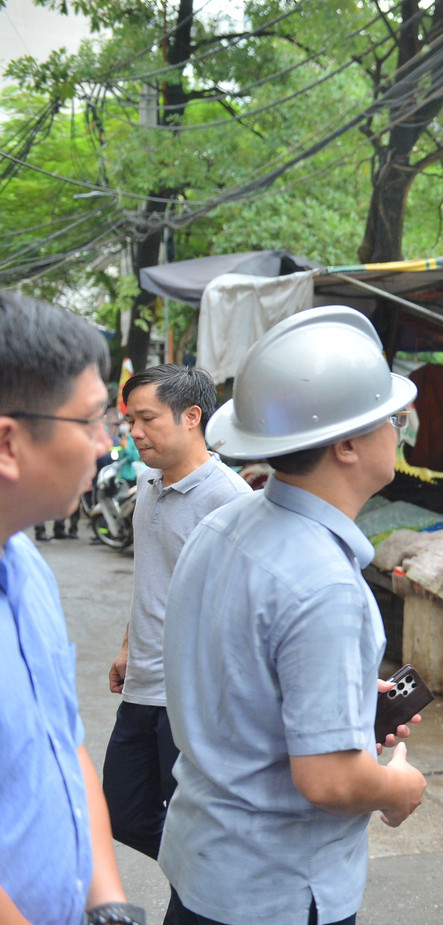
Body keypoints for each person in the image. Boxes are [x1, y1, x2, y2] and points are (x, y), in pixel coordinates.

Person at [159, 307, 427, 925]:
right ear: (348, 445)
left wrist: (347, 698)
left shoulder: (225, 523)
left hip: (206, 865)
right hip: (276, 890)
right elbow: (332, 781)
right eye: (390, 418)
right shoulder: (326, 585)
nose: (400, 429)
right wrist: (397, 786)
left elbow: (238, 676)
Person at [0, 291, 145, 925]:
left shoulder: (29, 567)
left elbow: (64, 742)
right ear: (9, 443)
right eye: (90, 423)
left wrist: (106, 898)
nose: (105, 446)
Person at [103, 365, 252, 890]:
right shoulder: (146, 481)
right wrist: (128, 645)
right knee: (121, 811)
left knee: (191, 820)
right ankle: (210, 883)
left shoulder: (229, 499)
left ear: (192, 417)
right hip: (143, 682)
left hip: (190, 698)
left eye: (146, 419)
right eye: (131, 420)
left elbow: (242, 611)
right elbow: (153, 573)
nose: (134, 432)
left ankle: (207, 892)